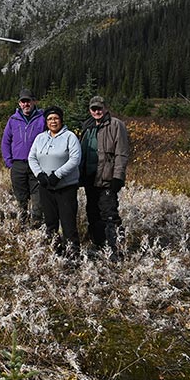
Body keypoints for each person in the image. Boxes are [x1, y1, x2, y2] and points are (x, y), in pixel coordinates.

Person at [79, 95, 131, 259]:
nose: (97, 111)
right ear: (90, 110)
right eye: (94, 109)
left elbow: (122, 153)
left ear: (105, 108)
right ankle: (99, 245)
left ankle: (117, 250)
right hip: (90, 179)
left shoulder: (116, 125)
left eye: (99, 108)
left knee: (109, 214)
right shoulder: (87, 127)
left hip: (107, 179)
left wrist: (118, 177)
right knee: (92, 213)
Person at [27, 106, 82, 257]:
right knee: (50, 223)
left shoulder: (70, 137)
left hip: (66, 188)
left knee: (68, 223)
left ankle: (73, 255)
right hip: (46, 187)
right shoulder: (40, 138)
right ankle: (55, 253)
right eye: (50, 119)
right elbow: (31, 158)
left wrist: (57, 175)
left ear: (61, 119)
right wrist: (39, 175)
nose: (53, 121)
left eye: (56, 118)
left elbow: (75, 159)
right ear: (46, 121)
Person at [1, 88, 46, 228]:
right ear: (19, 103)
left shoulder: (42, 118)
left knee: (38, 197)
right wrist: (9, 162)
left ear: (34, 101)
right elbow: (5, 141)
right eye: (23, 101)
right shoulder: (13, 120)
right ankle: (22, 224)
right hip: (18, 165)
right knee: (21, 198)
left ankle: (36, 225)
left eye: (28, 101)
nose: (26, 104)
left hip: (37, 165)